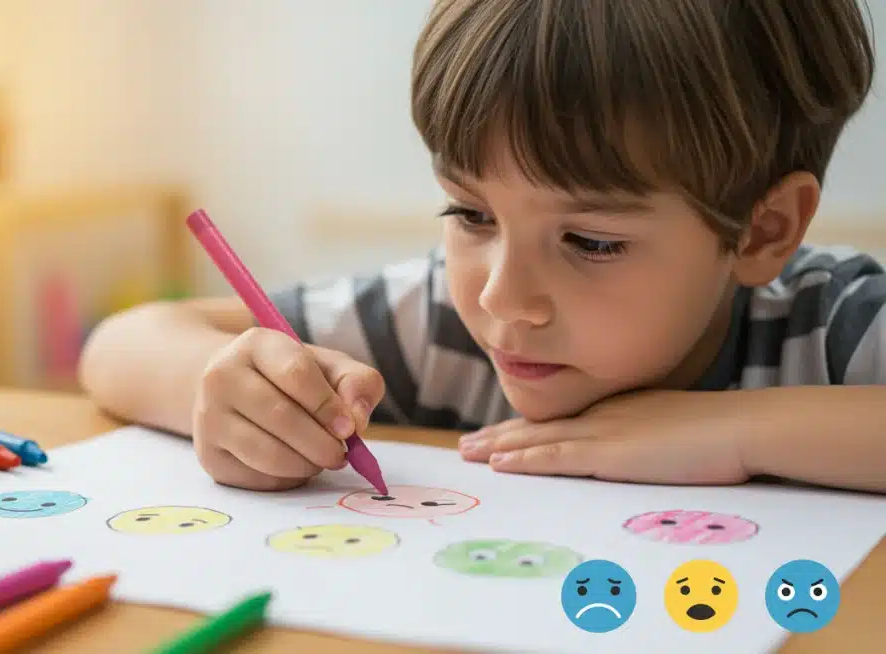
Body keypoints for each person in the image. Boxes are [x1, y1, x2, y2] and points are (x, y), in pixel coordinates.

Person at [81, 0, 885, 494]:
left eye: (591, 241)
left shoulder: (837, 327)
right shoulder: (432, 323)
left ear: (762, 230)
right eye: (469, 212)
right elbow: (122, 343)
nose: (501, 298)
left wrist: (733, 433)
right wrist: (228, 390)